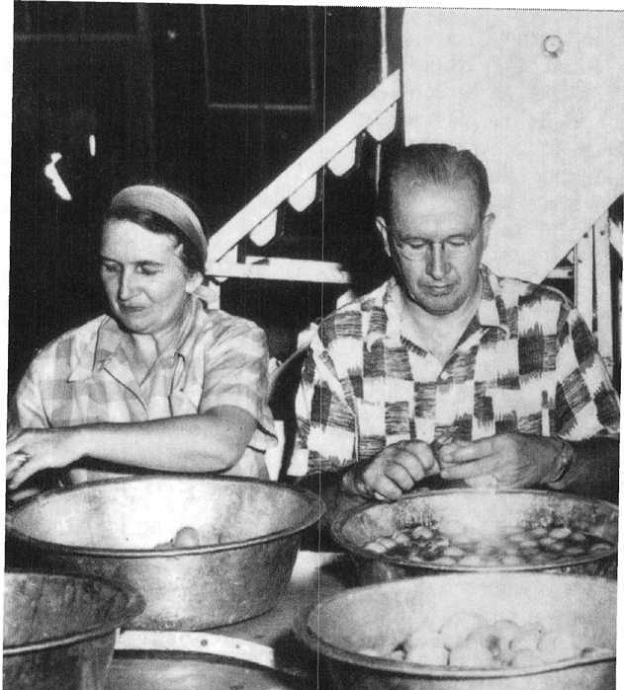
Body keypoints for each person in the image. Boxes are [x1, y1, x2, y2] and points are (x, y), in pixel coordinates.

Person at [288, 144, 620, 508]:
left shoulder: (548, 320)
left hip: (525, 561)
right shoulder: (341, 342)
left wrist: (554, 461)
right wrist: (357, 481)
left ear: (486, 230)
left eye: (458, 242)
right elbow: (303, 508)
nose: (438, 268)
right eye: (415, 244)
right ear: (385, 236)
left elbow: (615, 469)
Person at [7, 184, 275, 500]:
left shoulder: (233, 341)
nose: (124, 290)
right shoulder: (54, 368)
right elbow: (24, 505)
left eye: (146, 270)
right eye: (111, 268)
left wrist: (78, 440)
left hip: (225, 546)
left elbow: (222, 442)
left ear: (193, 277)